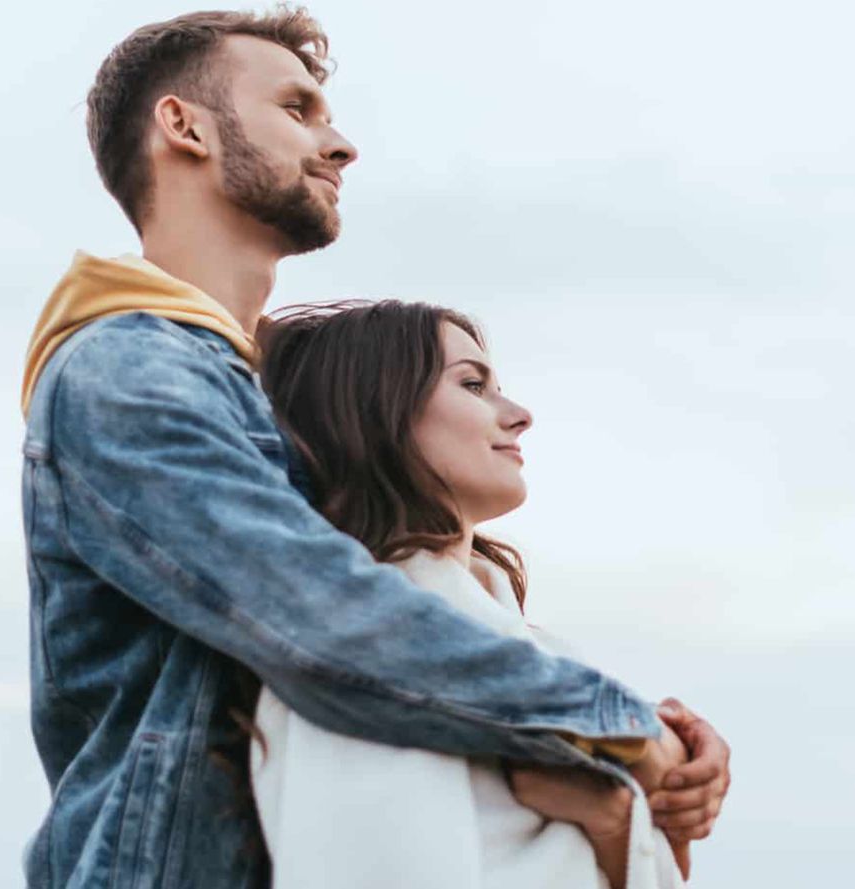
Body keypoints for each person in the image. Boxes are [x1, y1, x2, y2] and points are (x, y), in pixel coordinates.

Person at [17, 9, 731, 888]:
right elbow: (320, 616)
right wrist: (613, 728)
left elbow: (384, 599)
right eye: (297, 108)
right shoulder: (126, 367)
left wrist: (627, 755)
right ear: (183, 126)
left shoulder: (233, 394)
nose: (340, 144)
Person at [251, 300, 693, 889]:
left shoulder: (538, 653)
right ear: (376, 412)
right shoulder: (360, 650)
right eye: (473, 384)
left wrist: (614, 822)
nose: (519, 415)